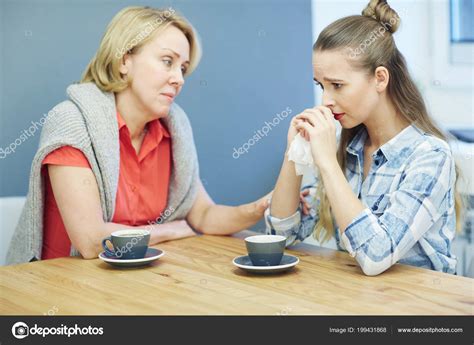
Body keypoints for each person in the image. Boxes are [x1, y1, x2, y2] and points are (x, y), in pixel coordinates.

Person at [7, 6, 269, 264]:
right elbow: (90, 240)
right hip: (63, 289)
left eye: (183, 68)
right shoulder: (72, 123)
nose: (179, 78)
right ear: (124, 61)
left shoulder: (173, 131)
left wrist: (258, 207)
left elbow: (203, 215)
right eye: (168, 61)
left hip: (138, 282)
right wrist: (170, 231)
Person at [265, 0, 460, 276]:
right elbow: (280, 236)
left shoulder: (430, 156)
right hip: (358, 301)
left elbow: (375, 256)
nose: (326, 100)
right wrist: (292, 153)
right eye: (321, 85)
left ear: (380, 79)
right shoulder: (351, 148)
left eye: (337, 85)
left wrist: (328, 164)